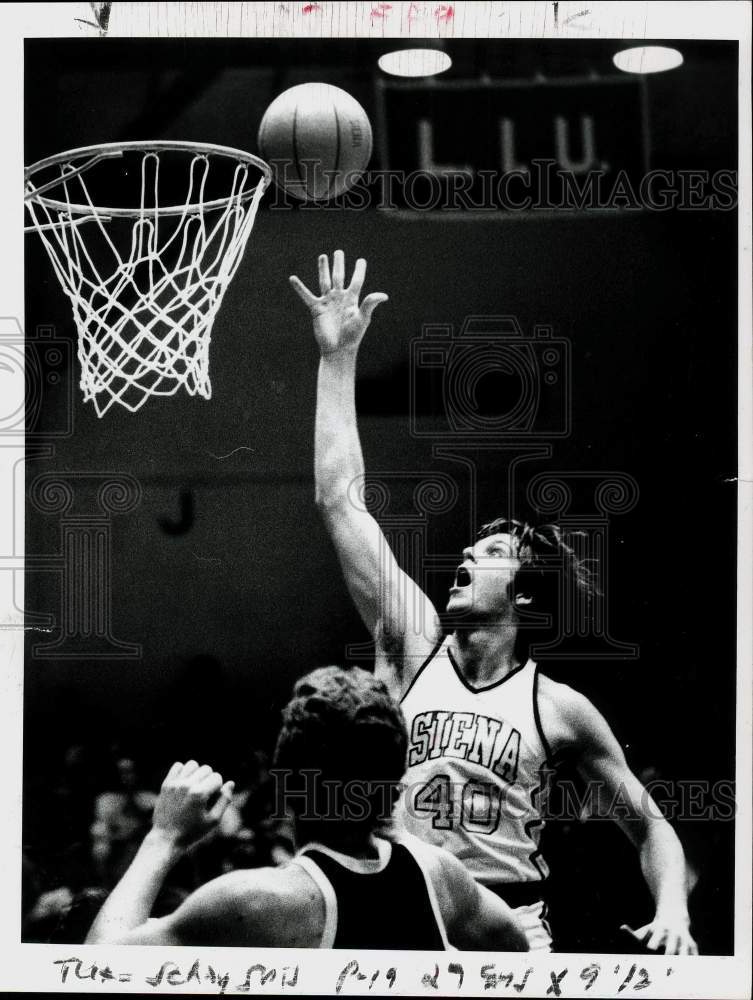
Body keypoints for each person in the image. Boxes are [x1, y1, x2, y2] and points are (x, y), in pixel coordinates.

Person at [290, 250, 698, 955]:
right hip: (405, 903)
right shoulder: (412, 641)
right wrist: (337, 356)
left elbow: (650, 825)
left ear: (525, 590)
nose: (465, 558)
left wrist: (673, 914)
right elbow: (339, 500)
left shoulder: (558, 706)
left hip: (511, 925)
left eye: (489, 555)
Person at [86, 666, 528, 950]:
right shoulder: (440, 876)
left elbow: (96, 972)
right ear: (393, 790)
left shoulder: (255, 903)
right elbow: (517, 947)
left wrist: (163, 836)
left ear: (289, 788)